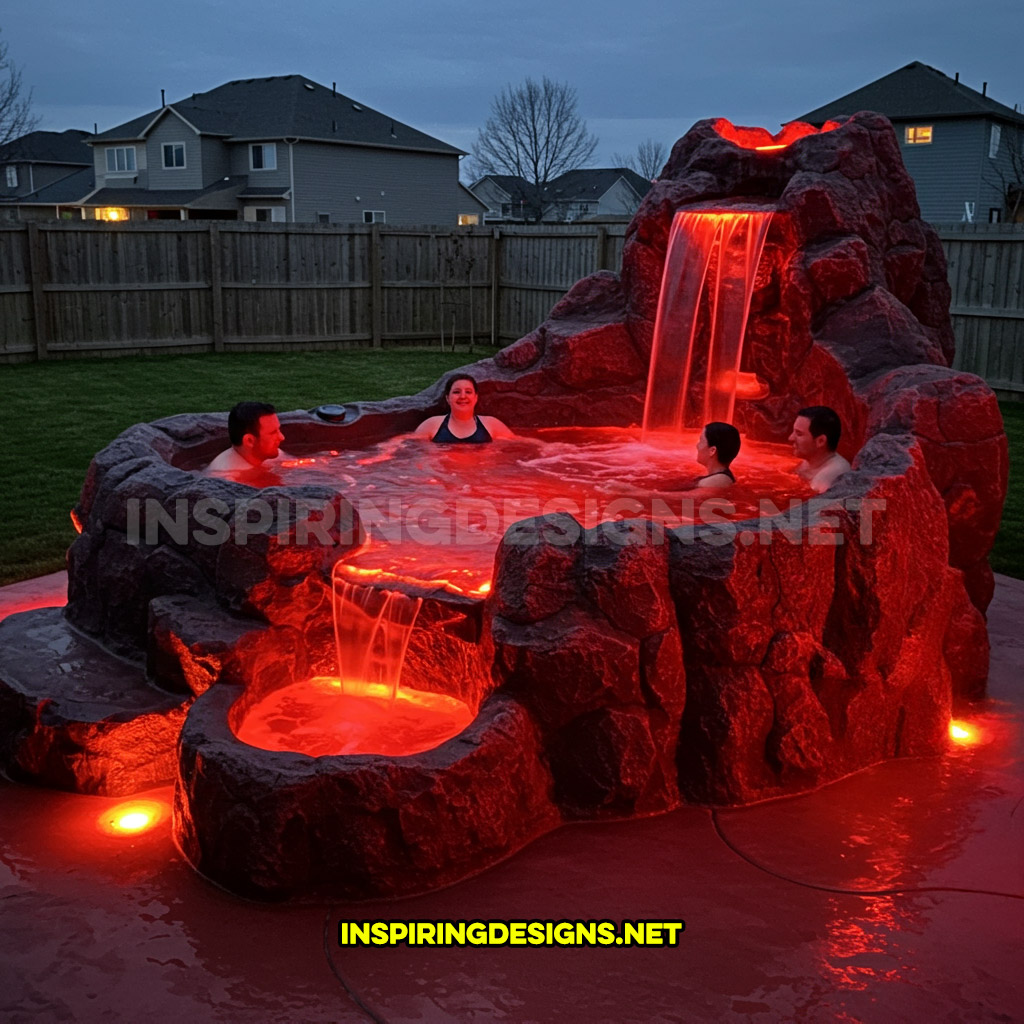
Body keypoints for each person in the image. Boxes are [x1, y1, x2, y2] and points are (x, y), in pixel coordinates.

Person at [414, 374, 514, 443]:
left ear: (476, 397)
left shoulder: (491, 424)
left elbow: (519, 442)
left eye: (468, 392)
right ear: (448, 398)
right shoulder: (432, 425)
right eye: (456, 392)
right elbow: (408, 443)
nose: (462, 396)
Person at [205, 401, 286, 475]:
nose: (282, 437)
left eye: (278, 430)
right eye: (272, 433)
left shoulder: (270, 454)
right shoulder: (225, 476)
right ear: (249, 441)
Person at [789, 405, 852, 493]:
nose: (790, 438)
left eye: (799, 434)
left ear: (821, 441)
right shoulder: (810, 461)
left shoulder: (826, 480)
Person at [694, 421, 741, 489]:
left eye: (701, 441)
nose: (697, 446)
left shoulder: (716, 482)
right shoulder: (720, 478)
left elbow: (686, 497)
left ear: (712, 451)